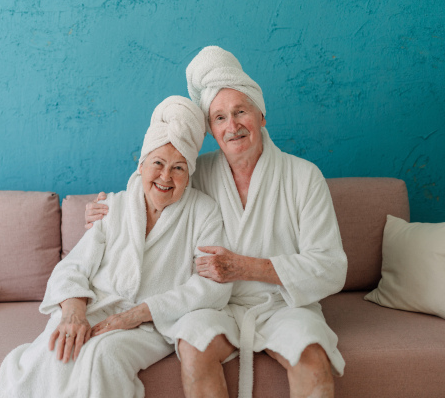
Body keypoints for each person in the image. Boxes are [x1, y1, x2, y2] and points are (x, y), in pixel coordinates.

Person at [86, 46, 347, 398]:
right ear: (210, 129)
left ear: (262, 115)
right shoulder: (198, 172)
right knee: (193, 348)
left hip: (284, 306)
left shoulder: (304, 177)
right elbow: (153, 188)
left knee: (313, 359)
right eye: (220, 118)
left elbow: (330, 267)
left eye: (241, 112)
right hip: (213, 306)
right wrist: (108, 212)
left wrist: (245, 267)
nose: (233, 126)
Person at [0, 96, 236, 398]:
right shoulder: (114, 206)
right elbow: (74, 266)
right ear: (142, 164)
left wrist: (138, 314)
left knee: (102, 356)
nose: (166, 177)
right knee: (55, 350)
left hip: (151, 324)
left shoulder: (204, 212)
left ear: (188, 175)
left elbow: (211, 285)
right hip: (93, 309)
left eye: (178, 168)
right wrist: (73, 312)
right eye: (158, 163)